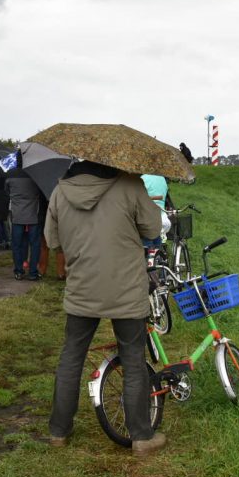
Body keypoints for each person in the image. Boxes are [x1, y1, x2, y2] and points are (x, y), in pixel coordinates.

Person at [44, 160, 166, 456]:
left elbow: (52, 240)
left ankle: (59, 431)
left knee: (72, 356)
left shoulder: (61, 191)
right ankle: (141, 436)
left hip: (82, 287)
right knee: (133, 359)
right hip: (126, 289)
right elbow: (153, 228)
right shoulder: (130, 185)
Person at [5, 171, 42, 280]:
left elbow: (7, 192)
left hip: (17, 216)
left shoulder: (10, 177)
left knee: (17, 245)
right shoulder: (36, 177)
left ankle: (19, 271)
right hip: (33, 215)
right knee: (35, 245)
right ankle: (33, 272)